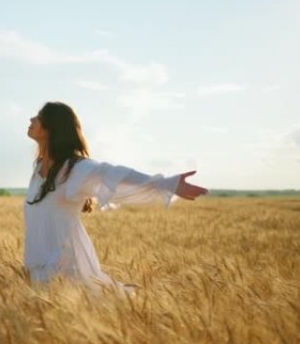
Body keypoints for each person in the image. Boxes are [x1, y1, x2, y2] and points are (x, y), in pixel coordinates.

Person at [24, 101, 208, 290]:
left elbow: (112, 173)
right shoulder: (39, 168)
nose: (32, 119)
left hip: (65, 268)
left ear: (52, 127)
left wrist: (168, 184)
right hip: (38, 266)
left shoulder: (75, 168)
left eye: (39, 116)